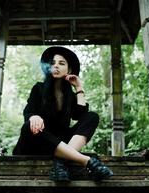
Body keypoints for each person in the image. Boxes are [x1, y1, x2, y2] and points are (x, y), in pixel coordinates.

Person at [13, 46, 113, 181]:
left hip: (61, 143)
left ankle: (61, 162)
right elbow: (29, 111)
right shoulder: (39, 88)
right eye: (53, 63)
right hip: (39, 141)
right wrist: (34, 116)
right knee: (27, 127)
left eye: (61, 63)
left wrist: (78, 87)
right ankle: (87, 161)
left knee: (92, 116)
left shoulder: (70, 96)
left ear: (69, 69)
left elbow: (81, 115)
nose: (56, 66)